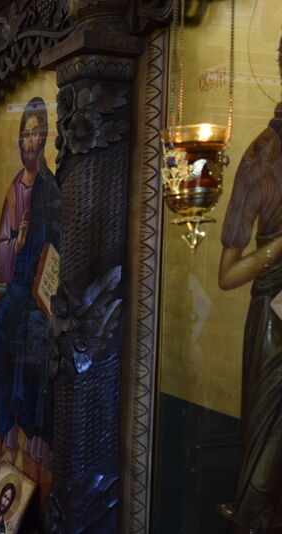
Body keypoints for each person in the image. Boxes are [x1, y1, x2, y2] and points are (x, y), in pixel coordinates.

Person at [218, 39, 282, 531]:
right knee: (265, 469)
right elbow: (228, 274)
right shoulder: (264, 154)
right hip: (275, 331)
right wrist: (278, 248)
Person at [0, 97, 61, 451]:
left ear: (44, 138)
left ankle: (32, 432)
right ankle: (6, 426)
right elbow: (1, 254)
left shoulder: (50, 187)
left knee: (33, 333)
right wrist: (16, 244)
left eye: (36, 134)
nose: (30, 142)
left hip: (41, 290)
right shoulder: (15, 190)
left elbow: (58, 245)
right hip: (17, 287)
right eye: (25, 134)